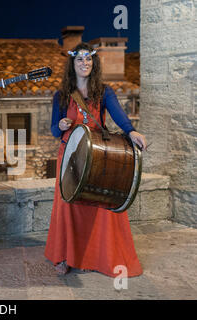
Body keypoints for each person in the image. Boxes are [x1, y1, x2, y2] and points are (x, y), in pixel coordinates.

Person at [44, 42, 147, 277]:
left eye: (88, 59)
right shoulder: (61, 95)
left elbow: (119, 116)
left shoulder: (104, 91)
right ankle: (64, 257)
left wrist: (131, 132)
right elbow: (53, 129)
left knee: (99, 205)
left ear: (94, 63)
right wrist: (59, 126)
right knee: (68, 207)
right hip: (69, 157)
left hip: (97, 156)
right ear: (72, 64)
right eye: (79, 59)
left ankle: (99, 257)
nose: (84, 63)